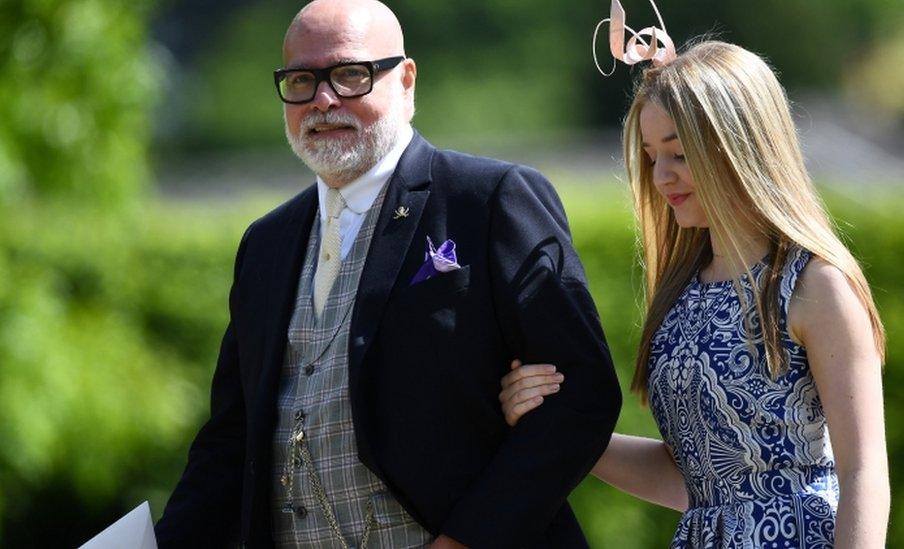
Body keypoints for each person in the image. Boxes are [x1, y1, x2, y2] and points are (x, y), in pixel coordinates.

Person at [153, 0, 621, 547]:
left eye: (350, 74)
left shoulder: (490, 198)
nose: (323, 100)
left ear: (405, 80)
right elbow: (230, 444)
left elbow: (580, 397)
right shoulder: (265, 243)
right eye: (302, 80)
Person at [500, 4, 890, 547]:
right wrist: (556, 425)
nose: (660, 177)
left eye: (679, 154)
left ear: (740, 148)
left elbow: (864, 476)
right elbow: (694, 481)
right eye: (650, 154)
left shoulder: (815, 285)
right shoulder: (683, 291)